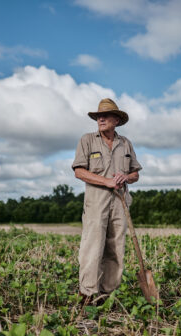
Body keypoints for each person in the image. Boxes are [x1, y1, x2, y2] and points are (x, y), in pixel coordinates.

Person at [72, 98, 142, 303]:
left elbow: (135, 174)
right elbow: (79, 172)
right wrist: (106, 181)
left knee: (115, 248)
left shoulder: (125, 143)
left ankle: (107, 294)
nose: (100, 118)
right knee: (92, 247)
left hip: (121, 203)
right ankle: (87, 293)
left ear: (117, 120)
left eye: (105, 115)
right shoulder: (87, 140)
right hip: (96, 203)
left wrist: (125, 177)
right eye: (98, 116)